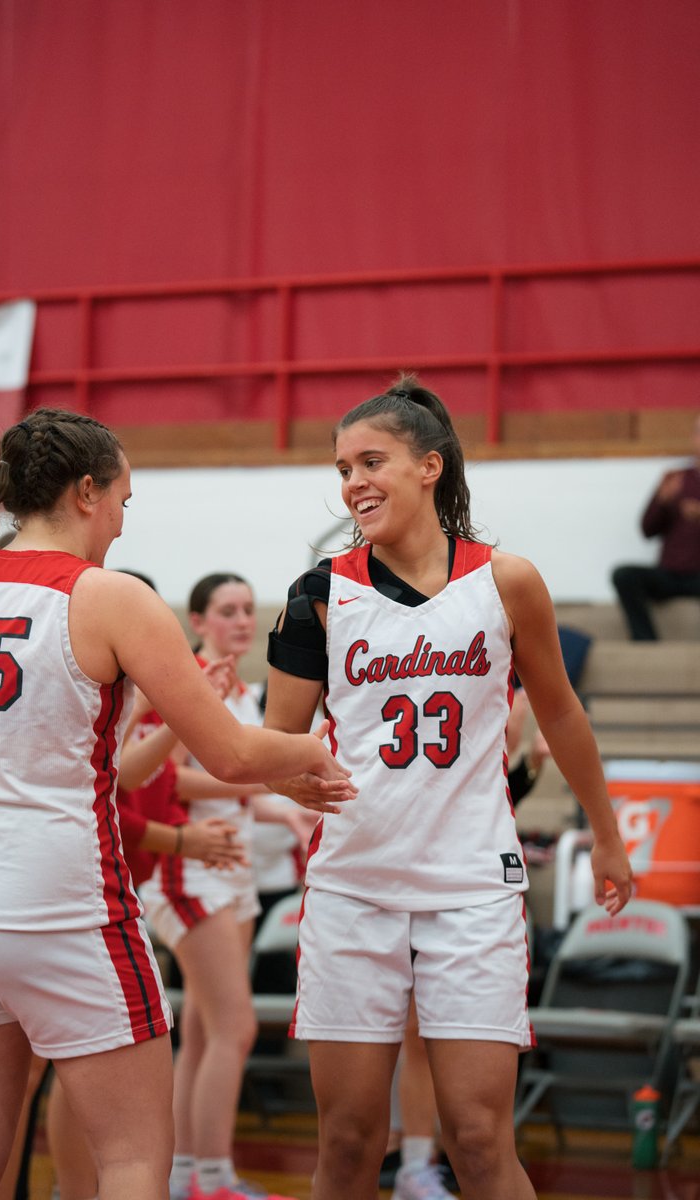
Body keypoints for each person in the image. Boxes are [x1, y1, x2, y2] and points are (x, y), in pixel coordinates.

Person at [0, 407, 352, 1200]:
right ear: (85, 492)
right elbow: (235, 752)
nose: (119, 521)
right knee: (133, 1160)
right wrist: (323, 750)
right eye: (122, 501)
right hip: (50, 900)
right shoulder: (106, 596)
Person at [264, 374, 632, 1200]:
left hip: (472, 885)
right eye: (341, 469)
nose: (353, 482)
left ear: (429, 466)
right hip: (354, 885)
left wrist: (607, 834)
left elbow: (564, 717)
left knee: (477, 1138)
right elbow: (276, 743)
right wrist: (295, 777)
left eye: (371, 461)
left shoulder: (508, 581)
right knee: (351, 1144)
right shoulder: (317, 595)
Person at [140, 571, 318, 1200]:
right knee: (235, 1027)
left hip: (232, 867)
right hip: (189, 869)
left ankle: (187, 1171)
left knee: (206, 1032)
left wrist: (289, 812)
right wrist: (265, 782)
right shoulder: (185, 680)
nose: (242, 620)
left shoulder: (243, 691)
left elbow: (240, 792)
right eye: (226, 610)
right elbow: (165, 781)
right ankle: (213, 1177)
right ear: (197, 622)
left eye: (248, 609)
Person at [611, 413, 700, 640]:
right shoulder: (676, 478)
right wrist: (662, 502)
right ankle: (646, 643)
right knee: (624, 575)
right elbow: (647, 530)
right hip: (670, 573)